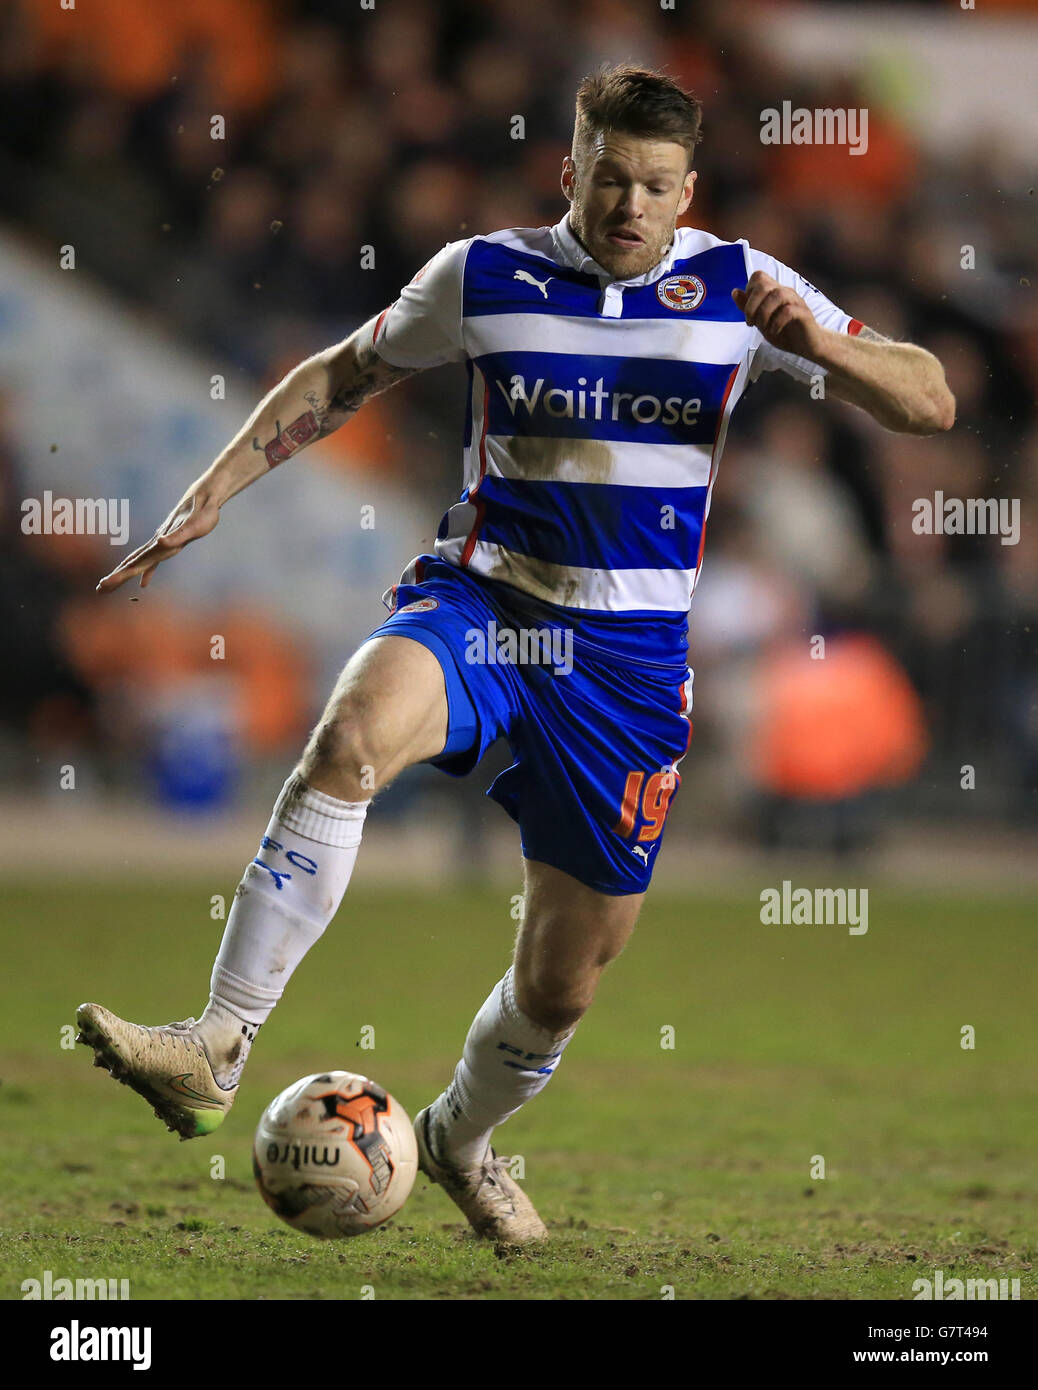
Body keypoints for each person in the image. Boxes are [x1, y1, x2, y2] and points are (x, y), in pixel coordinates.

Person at [77, 64, 954, 1245]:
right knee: (346, 737)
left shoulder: (742, 286)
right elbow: (344, 372)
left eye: (655, 186)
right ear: (571, 170)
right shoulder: (484, 272)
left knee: (564, 979)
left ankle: (458, 1139)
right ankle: (216, 1041)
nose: (630, 206)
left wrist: (829, 353)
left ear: (687, 190)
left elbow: (934, 400)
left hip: (629, 666)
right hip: (486, 605)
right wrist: (214, 492)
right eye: (609, 178)